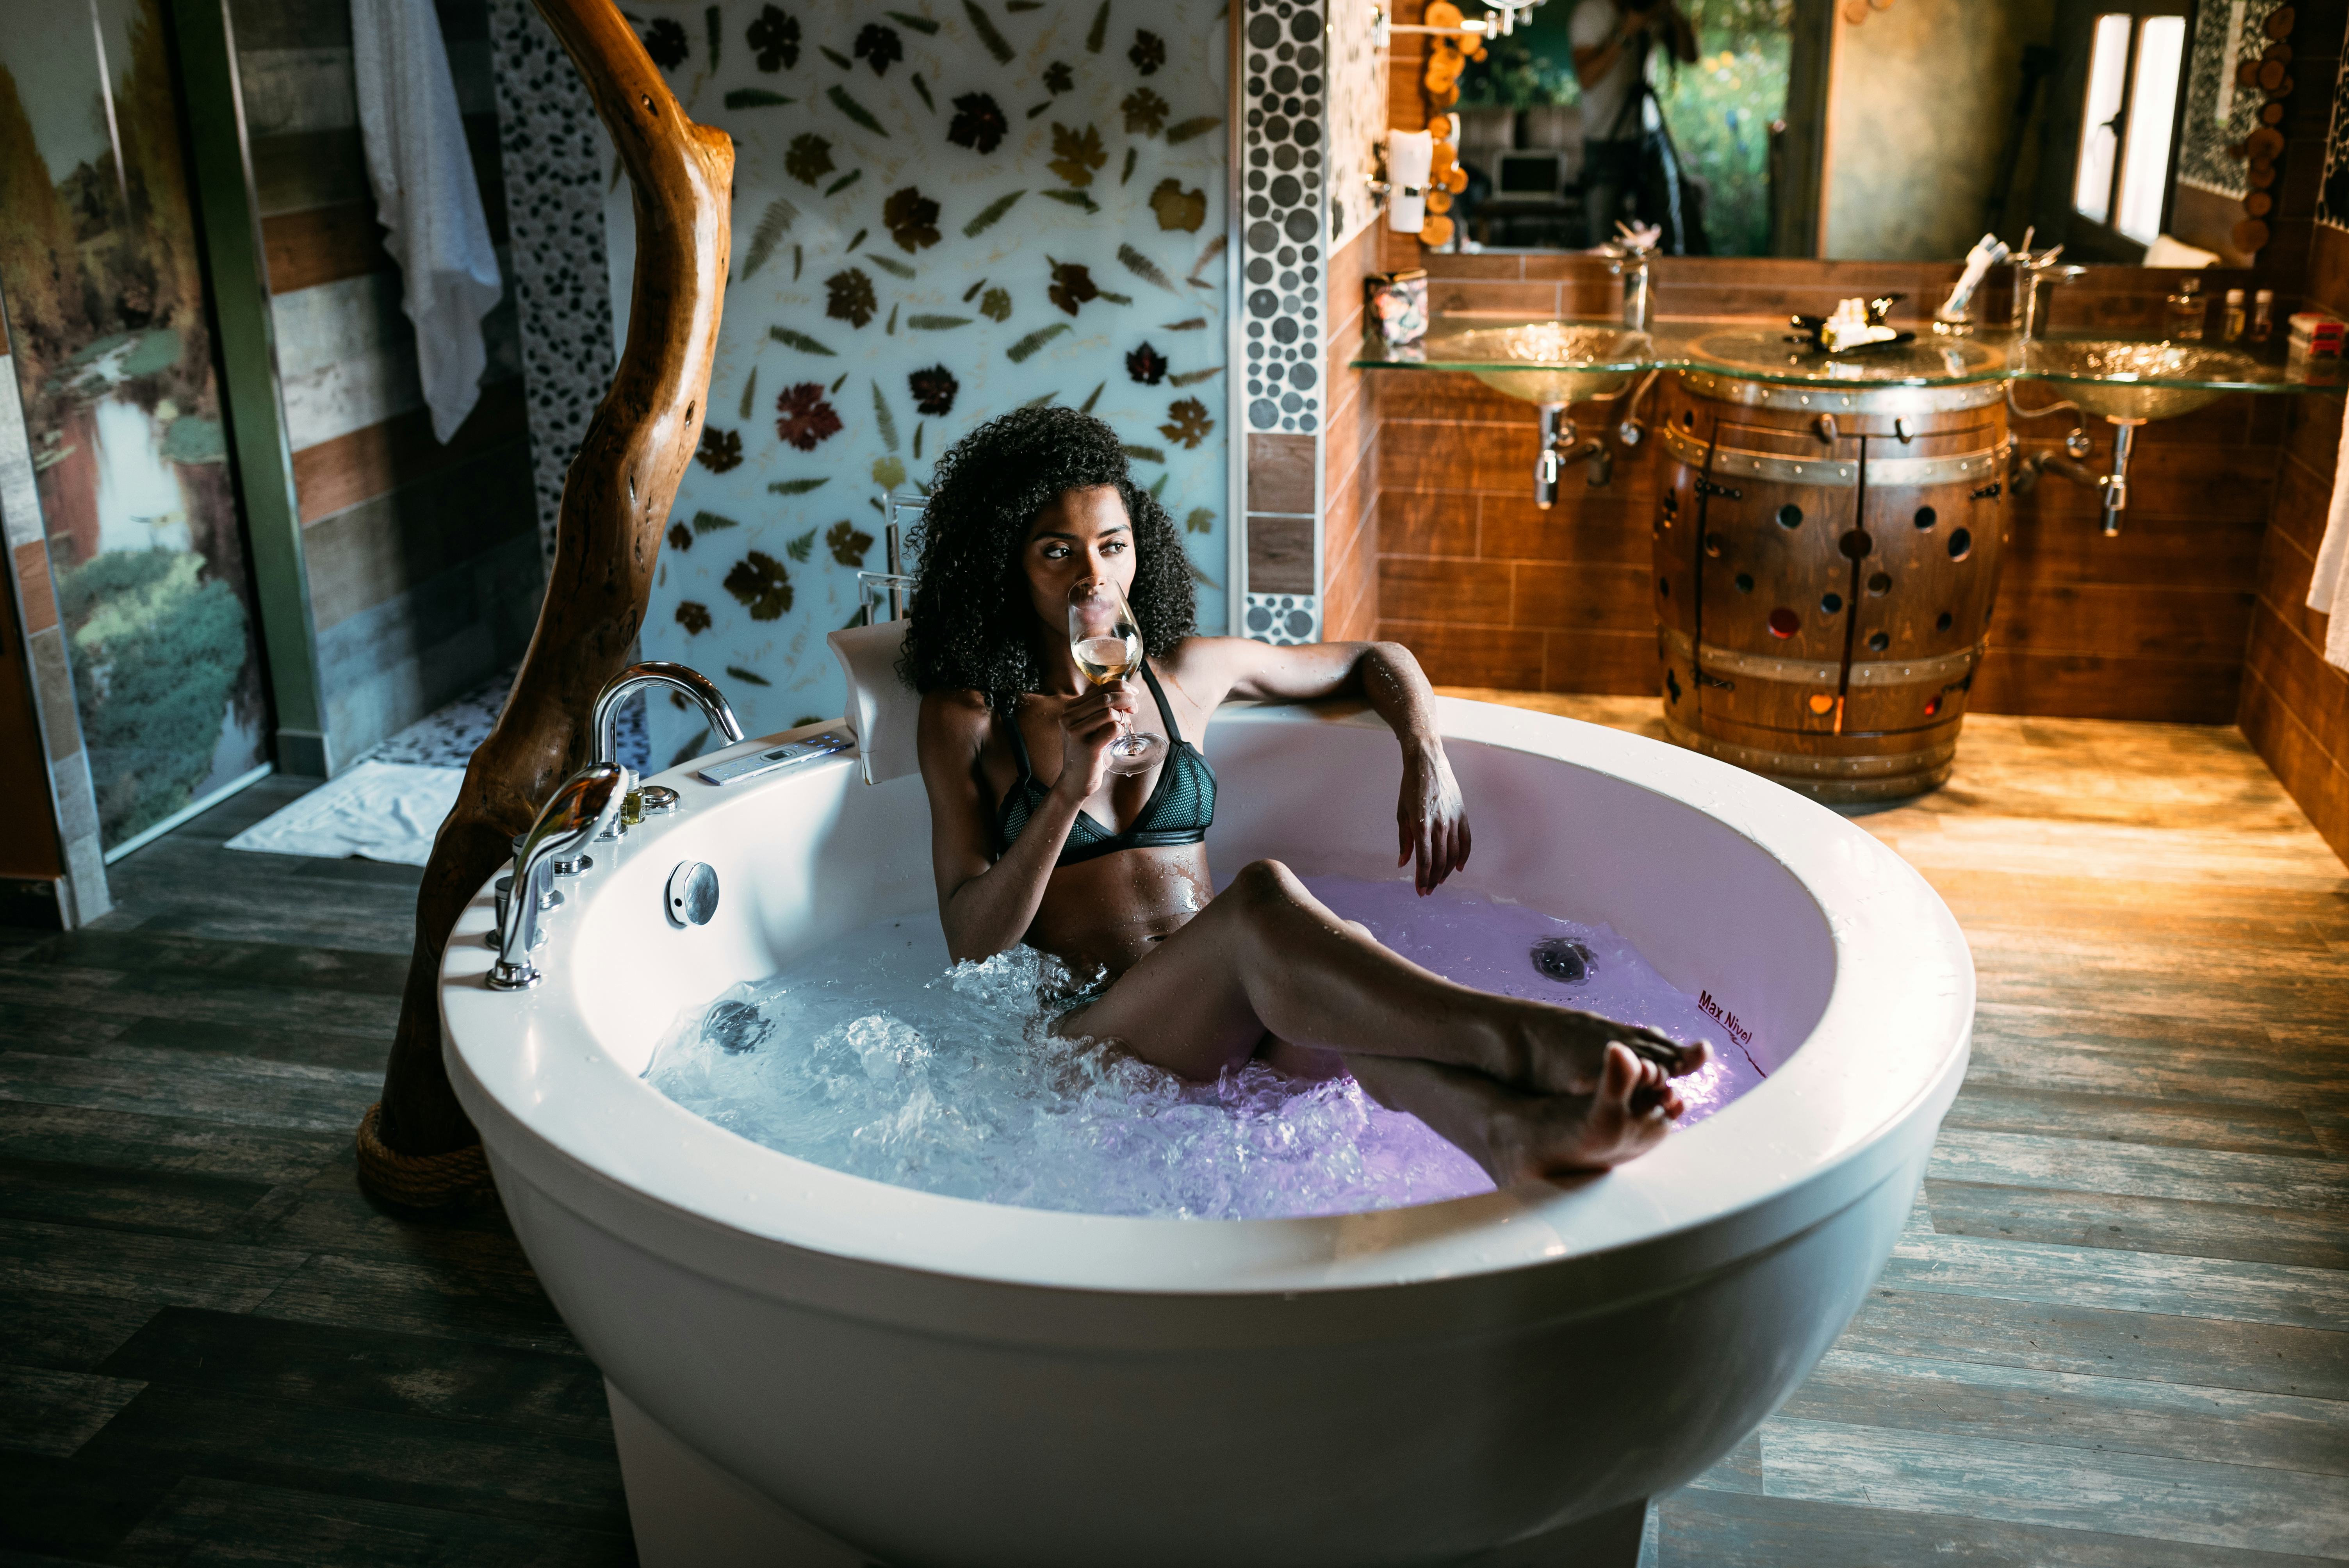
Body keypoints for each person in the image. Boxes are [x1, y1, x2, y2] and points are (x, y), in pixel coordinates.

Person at [904, 407, 1711, 1185]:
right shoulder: (972, 720)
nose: (1093, 575)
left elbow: (1373, 658)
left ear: (1137, 547)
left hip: (1230, 1010)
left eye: (1112, 545)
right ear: (1004, 563)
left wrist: (1422, 750)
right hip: (1092, 1043)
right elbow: (971, 944)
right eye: (1056, 551)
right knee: (1263, 899)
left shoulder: (1187, 674)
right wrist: (1065, 795)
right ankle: (1524, 1037)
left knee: (1344, 1004)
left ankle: (1508, 1132)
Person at [1571, 0, 1698, 248]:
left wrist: (1670, 11)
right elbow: (1587, 78)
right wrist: (1626, 32)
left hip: (1649, 132)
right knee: (1602, 233)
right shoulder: (1591, 12)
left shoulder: (1651, 9)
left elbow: (1690, 56)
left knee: (1669, 226)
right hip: (1605, 135)